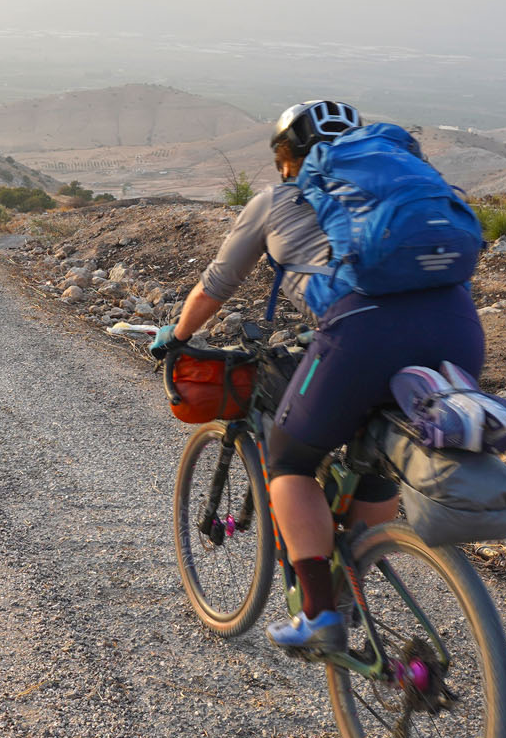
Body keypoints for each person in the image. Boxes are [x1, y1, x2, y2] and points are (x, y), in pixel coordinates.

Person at [148, 100, 486, 652]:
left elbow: (216, 284)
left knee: (288, 457)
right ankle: (355, 574)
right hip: (458, 331)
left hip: (362, 332)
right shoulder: (391, 188)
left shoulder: (277, 199)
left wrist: (178, 337)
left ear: (287, 157)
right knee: (374, 454)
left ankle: (319, 613)